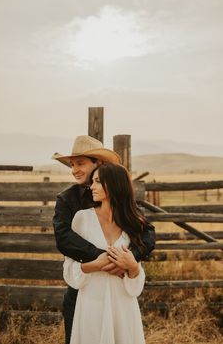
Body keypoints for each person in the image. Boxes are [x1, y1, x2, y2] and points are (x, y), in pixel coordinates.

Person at [52, 135, 155, 344]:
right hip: (83, 290)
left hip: (119, 295)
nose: (74, 170)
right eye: (72, 165)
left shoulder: (119, 199)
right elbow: (63, 238)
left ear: (98, 163)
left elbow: (147, 232)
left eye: (80, 163)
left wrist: (128, 260)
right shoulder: (68, 199)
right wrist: (104, 259)